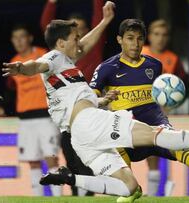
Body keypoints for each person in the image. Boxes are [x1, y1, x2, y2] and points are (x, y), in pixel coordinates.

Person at [2, 4, 189, 201]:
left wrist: (105, 21)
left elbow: (84, 47)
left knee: (128, 187)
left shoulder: (66, 66)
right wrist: (23, 68)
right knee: (154, 134)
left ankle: (70, 178)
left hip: (81, 138)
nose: (80, 43)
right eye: (75, 38)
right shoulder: (54, 57)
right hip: (90, 124)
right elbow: (37, 65)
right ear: (61, 43)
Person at [89, 19, 189, 202]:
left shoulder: (154, 65)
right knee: (112, 143)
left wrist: (170, 99)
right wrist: (104, 99)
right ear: (119, 40)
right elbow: (89, 101)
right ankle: (131, 191)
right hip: (128, 130)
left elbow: (161, 91)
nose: (135, 43)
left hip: (156, 124)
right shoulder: (107, 68)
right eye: (130, 38)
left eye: (139, 38)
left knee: (184, 152)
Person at [40, 0, 106, 196]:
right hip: (68, 112)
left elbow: (99, 20)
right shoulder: (61, 57)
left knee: (88, 155)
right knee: (69, 151)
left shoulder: (91, 49)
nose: (78, 38)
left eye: (81, 31)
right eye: (73, 34)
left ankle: (89, 191)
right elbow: (48, 27)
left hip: (91, 108)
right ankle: (78, 191)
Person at [0, 24, 62, 196]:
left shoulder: (43, 55)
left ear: (30, 38)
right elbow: (10, 90)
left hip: (46, 117)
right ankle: (37, 198)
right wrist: (1, 105)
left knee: (51, 158)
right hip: (25, 120)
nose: (18, 41)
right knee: (32, 161)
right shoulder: (14, 61)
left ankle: (58, 198)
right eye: (15, 38)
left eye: (21, 36)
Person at [135, 19, 189, 196]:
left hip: (155, 114)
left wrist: (173, 104)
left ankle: (150, 196)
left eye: (164, 35)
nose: (160, 39)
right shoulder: (138, 53)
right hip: (132, 111)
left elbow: (187, 86)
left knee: (153, 155)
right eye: (156, 34)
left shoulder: (172, 59)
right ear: (149, 36)